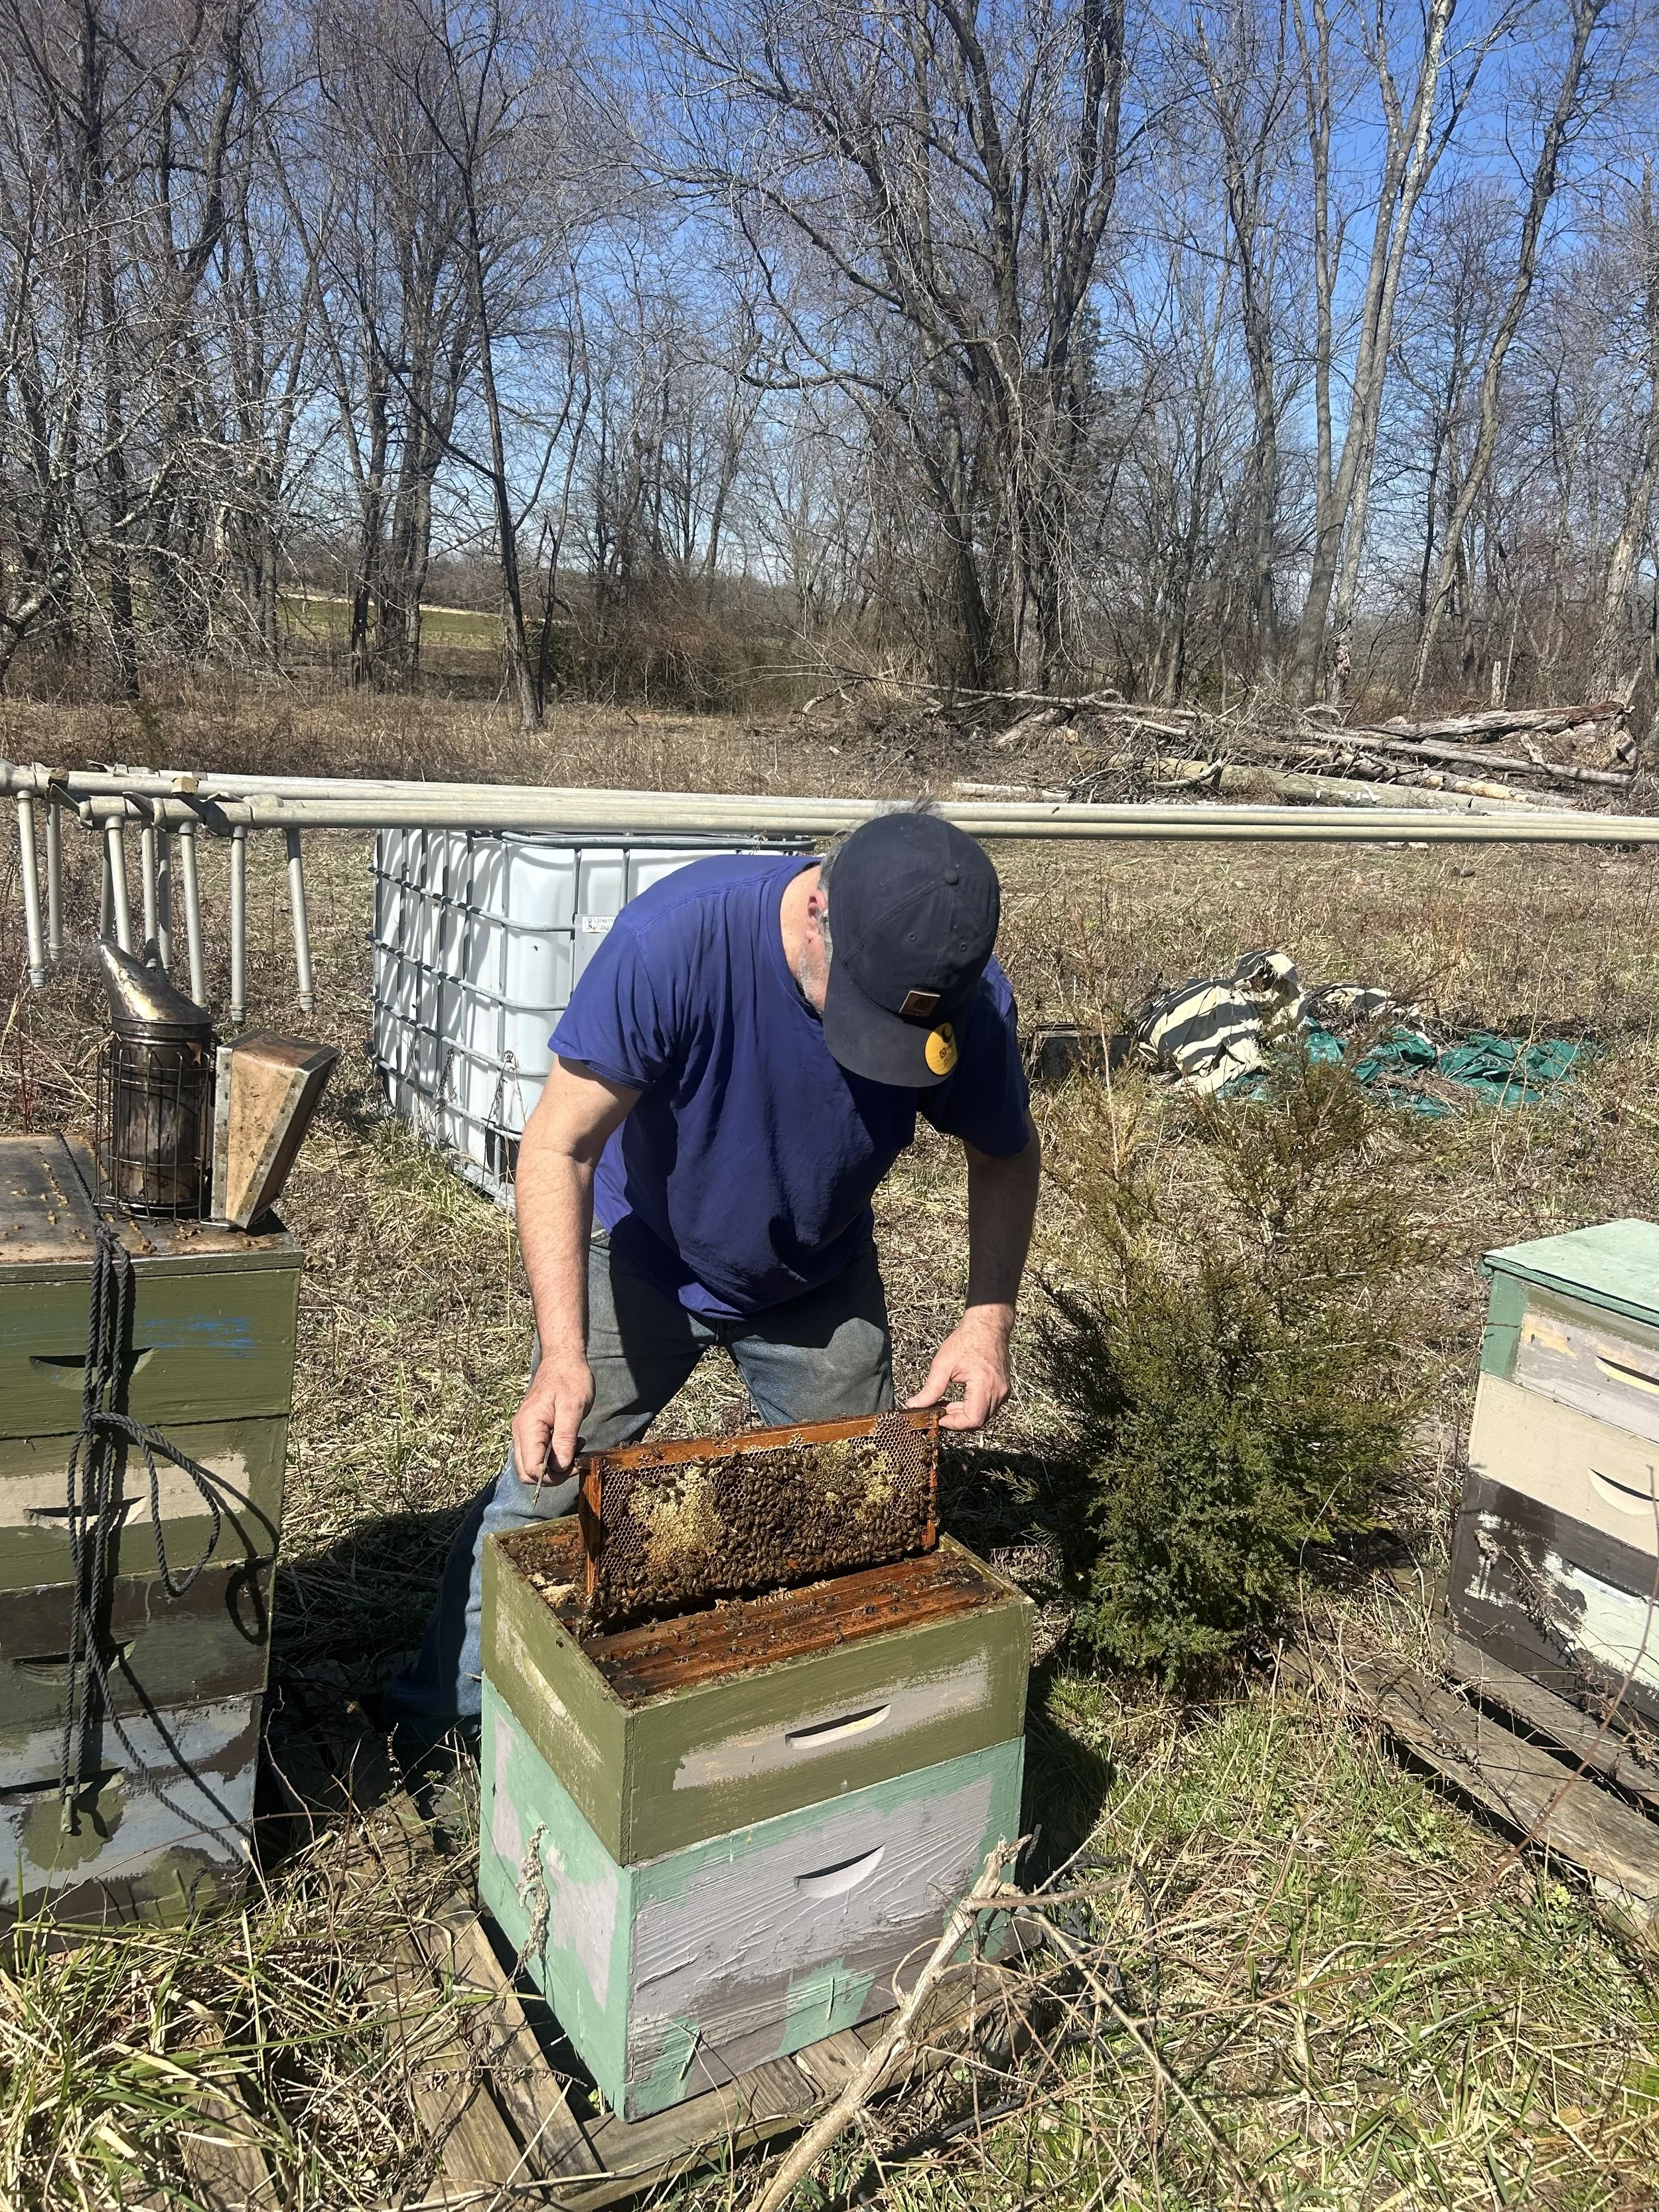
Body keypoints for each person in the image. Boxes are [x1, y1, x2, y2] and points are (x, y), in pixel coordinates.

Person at [388, 809, 1041, 1722]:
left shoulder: (966, 997)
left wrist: (986, 1321)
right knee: (544, 1494)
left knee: (853, 1518)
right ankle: (440, 1723)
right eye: (858, 1013)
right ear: (819, 909)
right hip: (646, 1251)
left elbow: (1005, 1153)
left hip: (818, 1279)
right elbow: (558, 1147)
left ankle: (803, 1742)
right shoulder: (677, 940)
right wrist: (562, 1357)